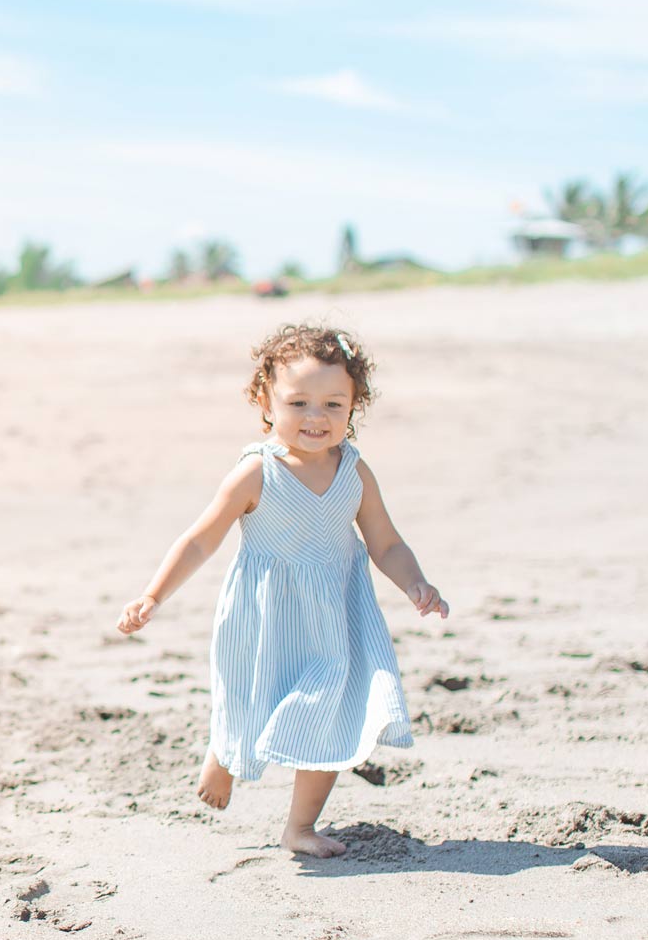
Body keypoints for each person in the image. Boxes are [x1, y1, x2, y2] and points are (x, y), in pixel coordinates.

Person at [117, 323, 447, 857]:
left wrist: (416, 584)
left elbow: (385, 542)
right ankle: (224, 752)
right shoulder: (256, 473)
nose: (316, 418)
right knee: (252, 700)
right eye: (299, 403)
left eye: (333, 405)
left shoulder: (355, 473)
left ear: (354, 406)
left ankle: (300, 827)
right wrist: (154, 595)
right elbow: (201, 540)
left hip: (338, 615)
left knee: (330, 712)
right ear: (264, 399)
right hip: (265, 614)